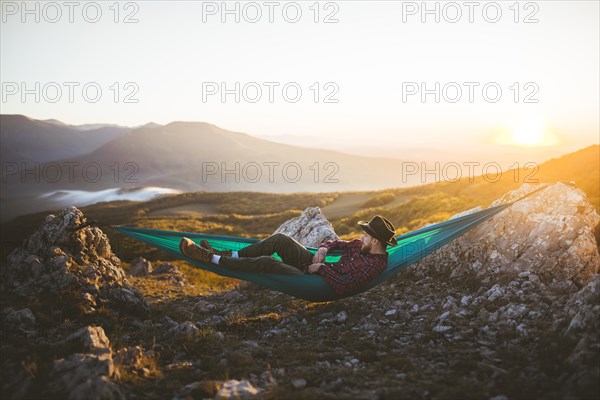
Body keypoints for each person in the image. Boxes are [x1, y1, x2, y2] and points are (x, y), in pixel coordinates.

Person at [179, 215, 398, 297]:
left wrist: (321, 269)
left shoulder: (374, 265)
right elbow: (338, 243)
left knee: (268, 263)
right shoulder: (362, 246)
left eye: (366, 234)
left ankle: (211, 258)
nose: (362, 236)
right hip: (313, 268)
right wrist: (324, 248)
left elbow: (347, 286)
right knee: (281, 240)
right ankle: (226, 253)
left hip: (317, 284)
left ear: (375, 241)